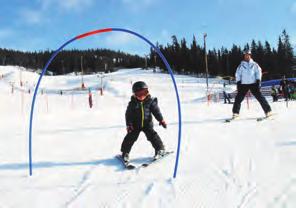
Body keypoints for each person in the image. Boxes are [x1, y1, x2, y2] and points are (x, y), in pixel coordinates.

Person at [120, 81, 167, 162]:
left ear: (147, 92)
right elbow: (128, 115)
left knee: (153, 136)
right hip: (135, 125)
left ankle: (160, 150)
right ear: (134, 94)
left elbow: (156, 111)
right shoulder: (132, 104)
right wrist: (129, 125)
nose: (142, 96)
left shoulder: (150, 101)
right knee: (130, 137)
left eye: (144, 93)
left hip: (147, 124)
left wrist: (161, 120)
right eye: (139, 94)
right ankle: (125, 153)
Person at [231, 50, 272, 119]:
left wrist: (258, 80)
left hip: (253, 84)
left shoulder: (255, 64)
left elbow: (259, 72)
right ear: (244, 56)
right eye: (245, 55)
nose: (247, 56)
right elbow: (237, 74)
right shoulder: (241, 65)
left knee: (260, 97)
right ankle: (235, 113)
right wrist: (238, 82)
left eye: (248, 55)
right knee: (238, 99)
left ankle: (268, 111)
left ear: (250, 55)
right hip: (243, 84)